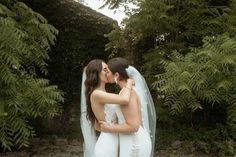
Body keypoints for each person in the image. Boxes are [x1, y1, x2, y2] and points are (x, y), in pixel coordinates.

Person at [100, 57, 156, 157]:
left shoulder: (128, 94)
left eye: (108, 72)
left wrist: (109, 128)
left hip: (134, 143)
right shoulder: (126, 91)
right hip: (131, 140)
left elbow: (133, 126)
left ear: (116, 75)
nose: (106, 74)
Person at [80, 59, 134, 157]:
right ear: (97, 73)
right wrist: (129, 82)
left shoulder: (104, 94)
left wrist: (109, 126)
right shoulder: (96, 94)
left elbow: (96, 125)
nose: (108, 71)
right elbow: (125, 99)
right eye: (105, 69)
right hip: (107, 145)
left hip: (114, 140)